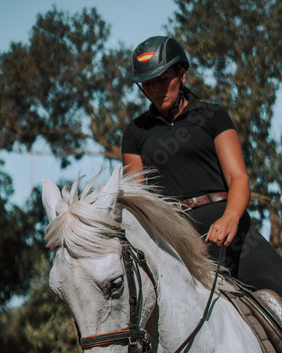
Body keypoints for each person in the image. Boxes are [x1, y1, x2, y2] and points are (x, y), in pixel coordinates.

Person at [121, 35, 282, 297]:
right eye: (147, 84)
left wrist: (230, 218)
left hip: (233, 234)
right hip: (173, 241)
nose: (156, 89)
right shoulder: (135, 132)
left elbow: (239, 178)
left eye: (163, 79)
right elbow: (135, 201)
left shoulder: (212, 115)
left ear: (181, 73)